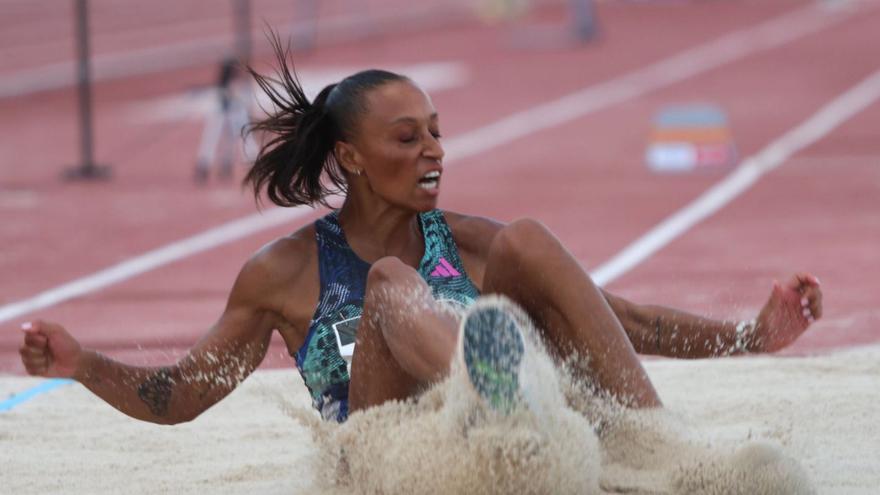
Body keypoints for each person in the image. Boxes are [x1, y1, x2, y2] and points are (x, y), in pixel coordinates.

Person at [19, 38, 823, 426]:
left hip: (492, 456)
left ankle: (655, 445)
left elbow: (624, 322)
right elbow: (181, 395)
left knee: (531, 243)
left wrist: (751, 334)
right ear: (352, 159)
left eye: (435, 132)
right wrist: (83, 362)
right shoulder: (284, 273)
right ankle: (499, 394)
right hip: (387, 460)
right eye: (407, 139)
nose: (433, 149)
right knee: (391, 285)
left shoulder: (475, 242)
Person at [194, 57, 257, 183]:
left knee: (235, 139)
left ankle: (227, 165)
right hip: (223, 114)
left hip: (233, 113)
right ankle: (206, 165)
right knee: (215, 139)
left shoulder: (234, 87)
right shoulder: (224, 88)